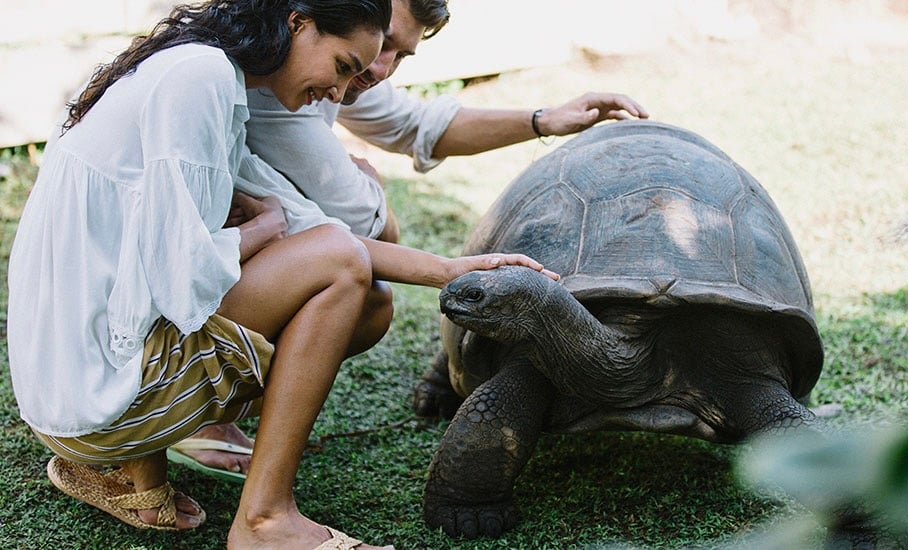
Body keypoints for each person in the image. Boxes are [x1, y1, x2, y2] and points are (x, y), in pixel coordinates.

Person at [6, 0, 556, 548]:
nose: (339, 94)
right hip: (91, 397)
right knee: (339, 268)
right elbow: (183, 277)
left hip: (73, 386)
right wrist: (263, 229)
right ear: (298, 22)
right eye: (342, 66)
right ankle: (264, 521)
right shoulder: (201, 79)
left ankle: (133, 473)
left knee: (368, 300)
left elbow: (308, 225)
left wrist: (452, 270)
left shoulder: (213, 75)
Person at [174, 0, 649, 479]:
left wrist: (544, 119)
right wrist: (374, 190)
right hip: (177, 294)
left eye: (399, 55)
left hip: (216, 265)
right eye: (380, 44)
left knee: (366, 291)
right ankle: (195, 421)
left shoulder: (337, 65)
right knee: (359, 289)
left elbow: (412, 124)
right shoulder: (267, 86)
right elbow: (361, 223)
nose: (380, 68)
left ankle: (210, 418)